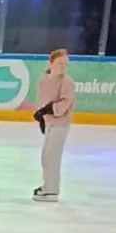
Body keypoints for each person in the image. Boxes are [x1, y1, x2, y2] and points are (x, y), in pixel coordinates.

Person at [32, 47, 76, 200]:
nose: (63, 67)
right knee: (46, 156)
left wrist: (48, 110)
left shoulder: (67, 82)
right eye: (60, 64)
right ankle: (47, 185)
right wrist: (42, 118)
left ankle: (52, 190)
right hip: (50, 123)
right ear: (50, 64)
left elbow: (65, 102)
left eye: (65, 64)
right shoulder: (43, 81)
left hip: (61, 123)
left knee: (52, 156)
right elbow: (42, 101)